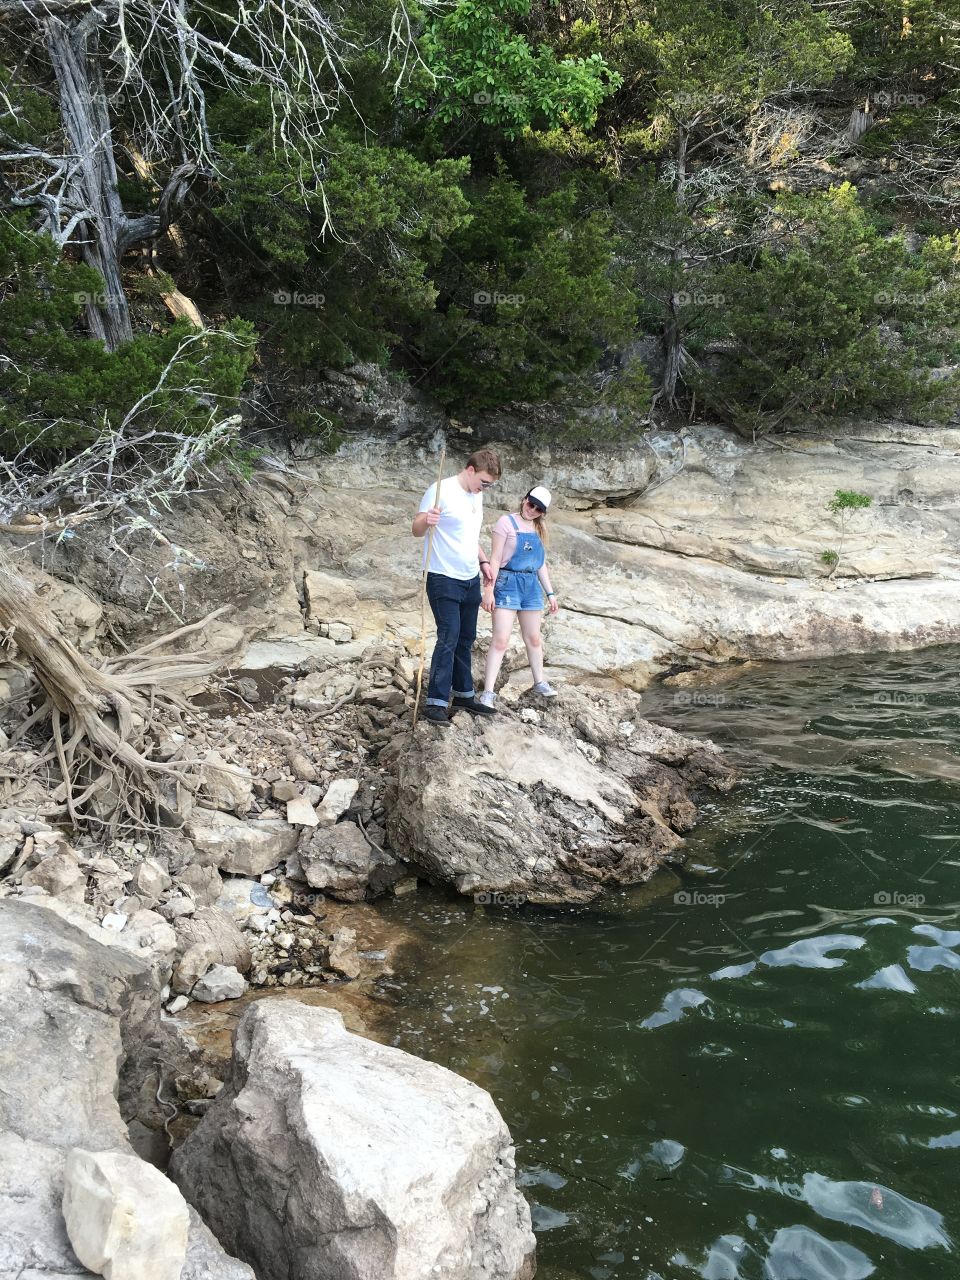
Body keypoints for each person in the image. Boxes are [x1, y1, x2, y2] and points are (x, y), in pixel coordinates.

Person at [411, 449, 501, 725]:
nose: (483, 488)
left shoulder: (477, 496)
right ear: (471, 470)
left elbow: (469, 536)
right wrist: (428, 520)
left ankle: (463, 695)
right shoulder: (441, 490)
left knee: (466, 638)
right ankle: (436, 702)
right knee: (449, 636)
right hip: (442, 576)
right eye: (484, 482)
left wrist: (483, 560)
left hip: (469, 576)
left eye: (488, 486)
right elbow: (416, 528)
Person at [479, 485, 559, 709]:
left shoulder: (539, 529)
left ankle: (539, 682)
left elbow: (540, 564)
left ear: (542, 513)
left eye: (538, 509)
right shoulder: (506, 523)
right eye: (530, 503)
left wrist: (550, 593)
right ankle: (488, 692)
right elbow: (494, 559)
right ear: (524, 499)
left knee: (533, 638)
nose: (531, 510)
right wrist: (489, 590)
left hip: (531, 586)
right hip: (507, 582)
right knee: (501, 640)